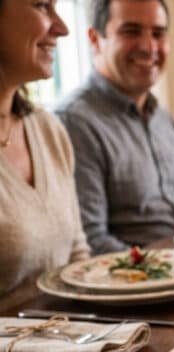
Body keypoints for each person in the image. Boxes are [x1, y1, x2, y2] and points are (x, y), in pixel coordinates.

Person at [56, 0, 174, 255]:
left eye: (158, 33)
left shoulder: (164, 120)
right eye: (131, 31)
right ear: (95, 39)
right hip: (135, 284)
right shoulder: (74, 122)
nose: (149, 47)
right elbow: (91, 240)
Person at [0, 0, 90, 310]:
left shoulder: (48, 129)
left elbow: (78, 257)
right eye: (41, 6)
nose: (62, 28)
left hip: (73, 341)